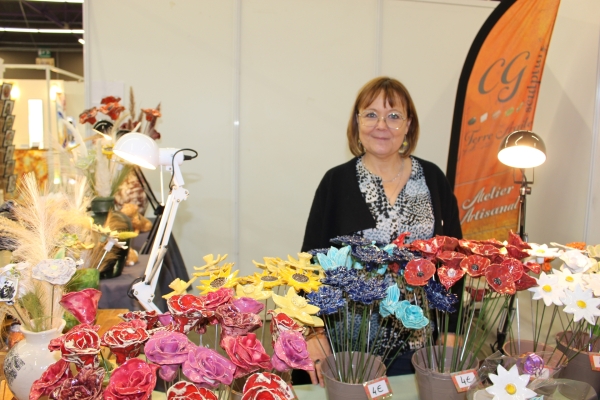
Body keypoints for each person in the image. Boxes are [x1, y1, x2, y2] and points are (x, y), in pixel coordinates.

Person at [299, 76, 463, 386]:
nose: (381, 125)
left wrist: (451, 332)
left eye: (394, 115)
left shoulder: (434, 179)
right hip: (349, 343)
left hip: (420, 340)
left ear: (408, 125)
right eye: (371, 114)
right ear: (357, 122)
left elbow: (454, 263)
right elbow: (309, 262)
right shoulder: (336, 182)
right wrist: (314, 331)